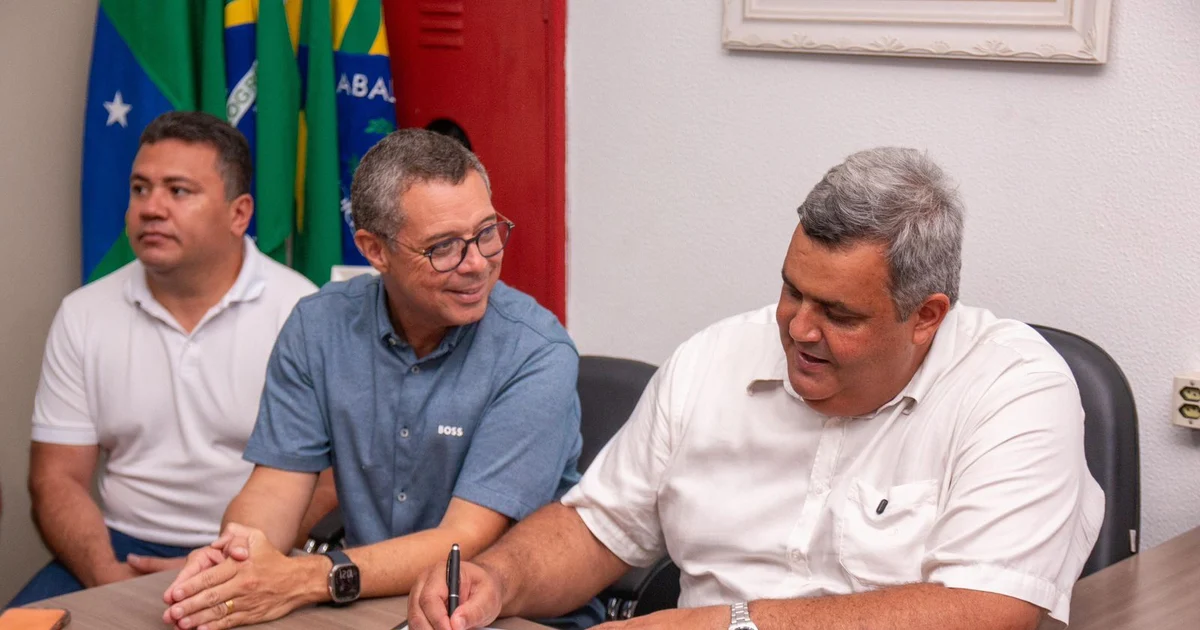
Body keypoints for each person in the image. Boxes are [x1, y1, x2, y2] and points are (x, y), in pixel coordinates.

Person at [406, 147, 1105, 630]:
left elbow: (985, 611)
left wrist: (728, 624)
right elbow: (596, 528)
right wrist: (500, 580)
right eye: (791, 291)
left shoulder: (1015, 388)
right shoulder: (714, 358)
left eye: (838, 314)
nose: (798, 328)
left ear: (926, 317)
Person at [161, 129, 599, 630]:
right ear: (375, 250)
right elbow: (274, 489)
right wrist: (236, 559)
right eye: (444, 247)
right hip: (365, 601)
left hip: (499, 613)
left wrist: (303, 579)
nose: (477, 263)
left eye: (487, 232)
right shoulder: (318, 326)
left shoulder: (536, 351)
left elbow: (464, 541)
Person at [9, 112, 323, 607]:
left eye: (178, 191)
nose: (150, 208)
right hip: (119, 550)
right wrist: (107, 577)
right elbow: (56, 478)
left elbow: (331, 479)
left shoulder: (301, 311)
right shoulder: (84, 313)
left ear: (239, 214)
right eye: (140, 189)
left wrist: (226, 559)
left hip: (257, 549)